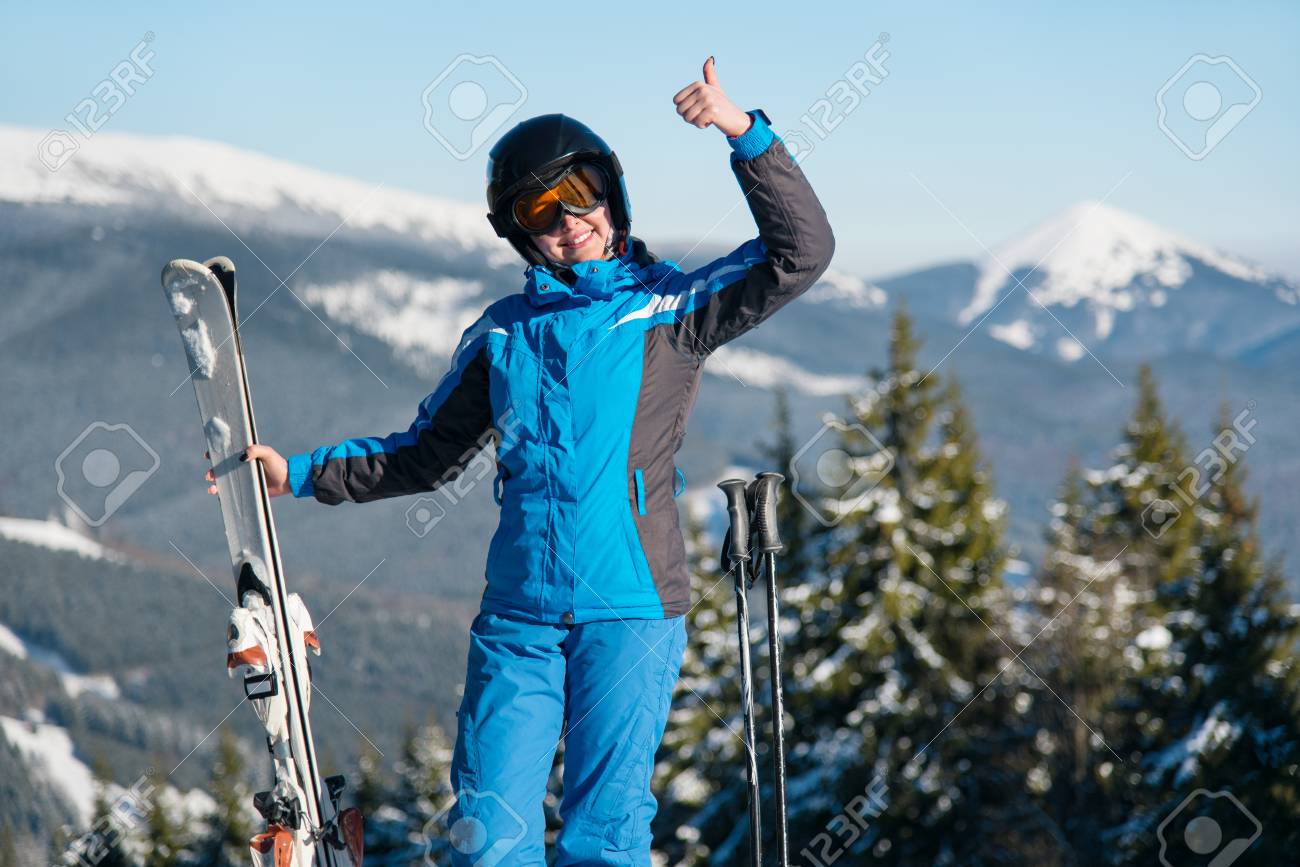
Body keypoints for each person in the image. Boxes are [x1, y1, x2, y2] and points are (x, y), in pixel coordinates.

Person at [208, 57, 834, 866]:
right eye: (542, 209)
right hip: (519, 619)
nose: (569, 219)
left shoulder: (670, 311)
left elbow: (801, 251)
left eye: (581, 192)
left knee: (602, 838)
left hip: (633, 608)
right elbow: (423, 455)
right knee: (486, 837)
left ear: (611, 195)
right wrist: (296, 473)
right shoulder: (501, 336)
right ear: (519, 232)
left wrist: (742, 131)